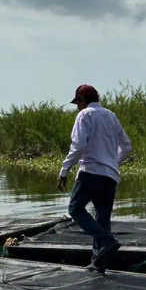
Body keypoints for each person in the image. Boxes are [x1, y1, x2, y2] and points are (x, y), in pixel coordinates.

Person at [57, 84, 132, 272]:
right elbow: (126, 146)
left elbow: (79, 145)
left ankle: (107, 241)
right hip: (110, 176)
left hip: (90, 171)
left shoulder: (84, 115)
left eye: (77, 103)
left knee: (75, 208)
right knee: (102, 219)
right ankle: (98, 263)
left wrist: (64, 169)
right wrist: (113, 162)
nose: (77, 107)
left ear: (82, 100)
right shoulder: (110, 116)